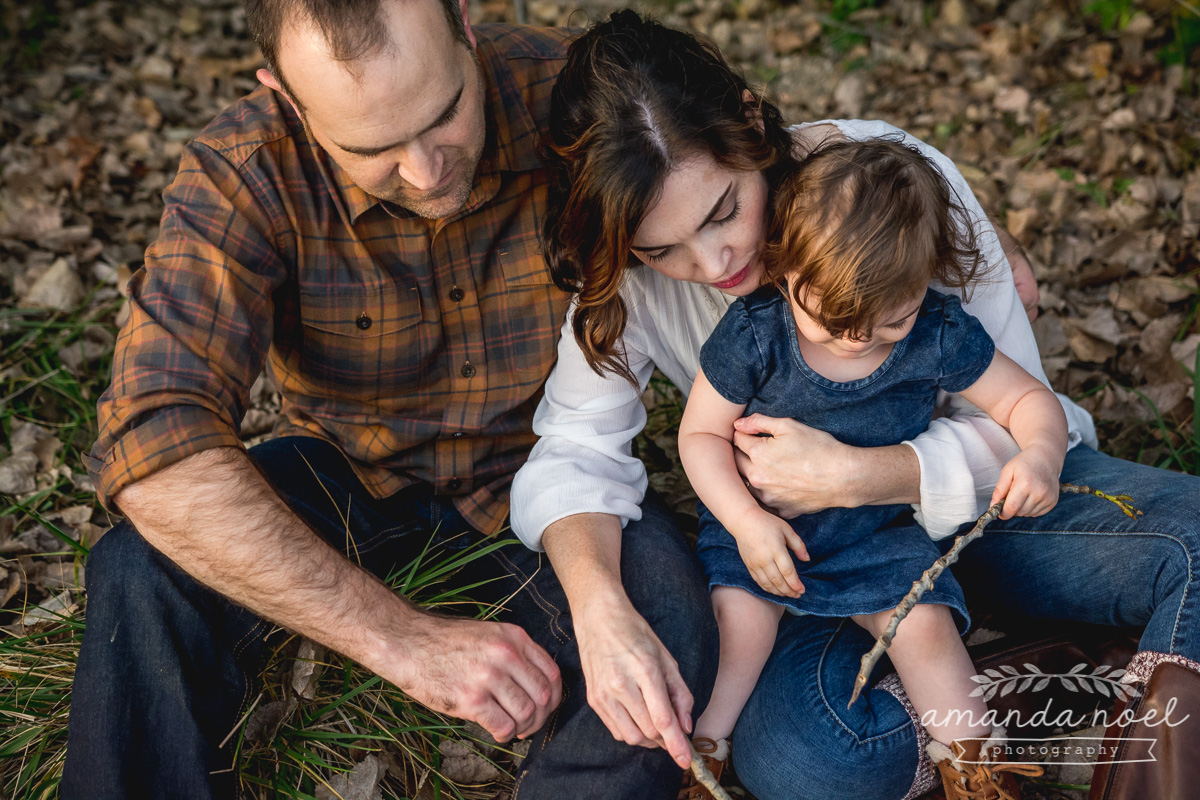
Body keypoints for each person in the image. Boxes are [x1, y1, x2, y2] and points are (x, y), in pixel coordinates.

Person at [513, 10, 1200, 800]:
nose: (713, 263)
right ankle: (1049, 679)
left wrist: (862, 475)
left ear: (748, 124)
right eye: (661, 250)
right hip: (804, 567)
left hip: (988, 514)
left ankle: (1069, 712)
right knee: (810, 758)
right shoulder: (626, 283)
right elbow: (574, 450)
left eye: (724, 211)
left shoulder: (887, 194)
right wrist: (599, 610)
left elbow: (1020, 417)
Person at [63, 2, 717, 798]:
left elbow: (749, 183)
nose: (425, 171)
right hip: (346, 477)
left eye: (446, 114)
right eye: (370, 148)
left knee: (668, 632)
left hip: (551, 479)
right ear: (287, 97)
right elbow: (153, 441)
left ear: (465, 27)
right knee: (139, 566)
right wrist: (400, 641)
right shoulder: (246, 167)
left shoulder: (580, 97)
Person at [679, 137, 1064, 797]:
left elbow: (1028, 399)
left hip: (876, 535)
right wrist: (744, 520)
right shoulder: (756, 332)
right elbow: (700, 435)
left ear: (924, 282)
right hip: (768, 532)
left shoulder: (936, 333)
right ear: (787, 269)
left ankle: (978, 767)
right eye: (829, 320)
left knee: (924, 624)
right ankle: (700, 760)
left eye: (890, 323)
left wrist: (1040, 453)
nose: (858, 339)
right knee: (738, 629)